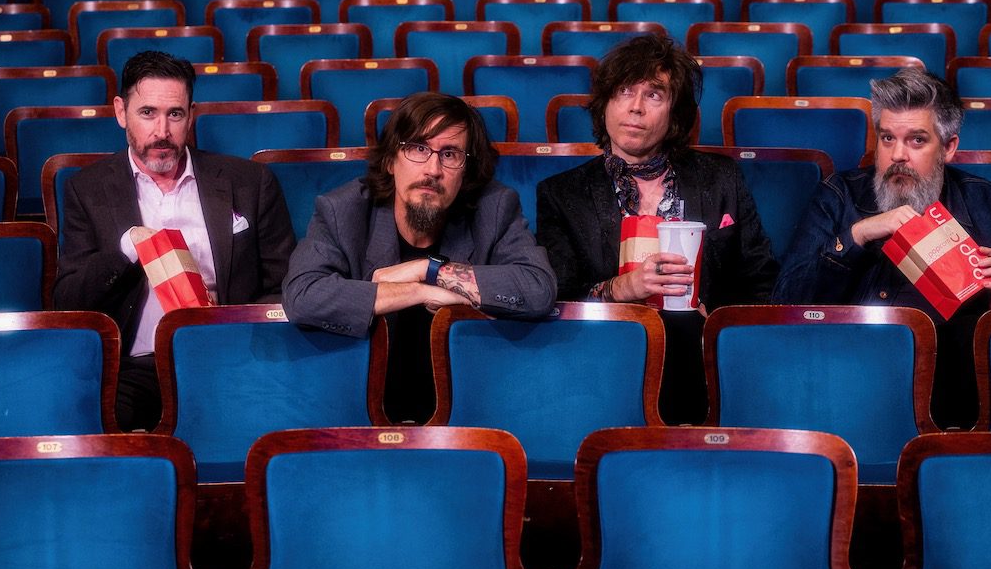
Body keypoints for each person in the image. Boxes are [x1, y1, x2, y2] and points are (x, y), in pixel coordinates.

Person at [773, 67, 991, 428]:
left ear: (949, 147)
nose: (898, 155)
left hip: (960, 403)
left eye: (916, 140)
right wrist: (855, 237)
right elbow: (781, 306)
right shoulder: (838, 197)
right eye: (887, 138)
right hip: (846, 387)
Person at [536, 34, 779, 424]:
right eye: (624, 91)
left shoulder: (720, 179)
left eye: (654, 95)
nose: (634, 107)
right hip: (604, 361)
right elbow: (555, 299)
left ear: (675, 114)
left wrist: (716, 320)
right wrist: (620, 289)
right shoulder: (562, 193)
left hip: (702, 360)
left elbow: (761, 281)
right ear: (605, 104)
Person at [53, 51, 296, 431]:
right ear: (121, 112)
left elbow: (286, 288)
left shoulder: (250, 182)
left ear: (191, 114)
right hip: (134, 367)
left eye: (175, 114)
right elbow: (69, 300)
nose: (162, 132)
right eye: (147, 113)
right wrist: (124, 251)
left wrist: (231, 318)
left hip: (231, 353)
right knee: (81, 419)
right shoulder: (87, 190)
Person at [282, 91, 557, 423]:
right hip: (363, 413)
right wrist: (417, 291)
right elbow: (302, 296)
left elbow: (538, 288)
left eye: (450, 154)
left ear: (466, 171)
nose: (433, 169)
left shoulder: (494, 208)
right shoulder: (343, 211)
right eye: (417, 148)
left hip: (469, 415)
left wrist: (429, 269)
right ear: (390, 160)